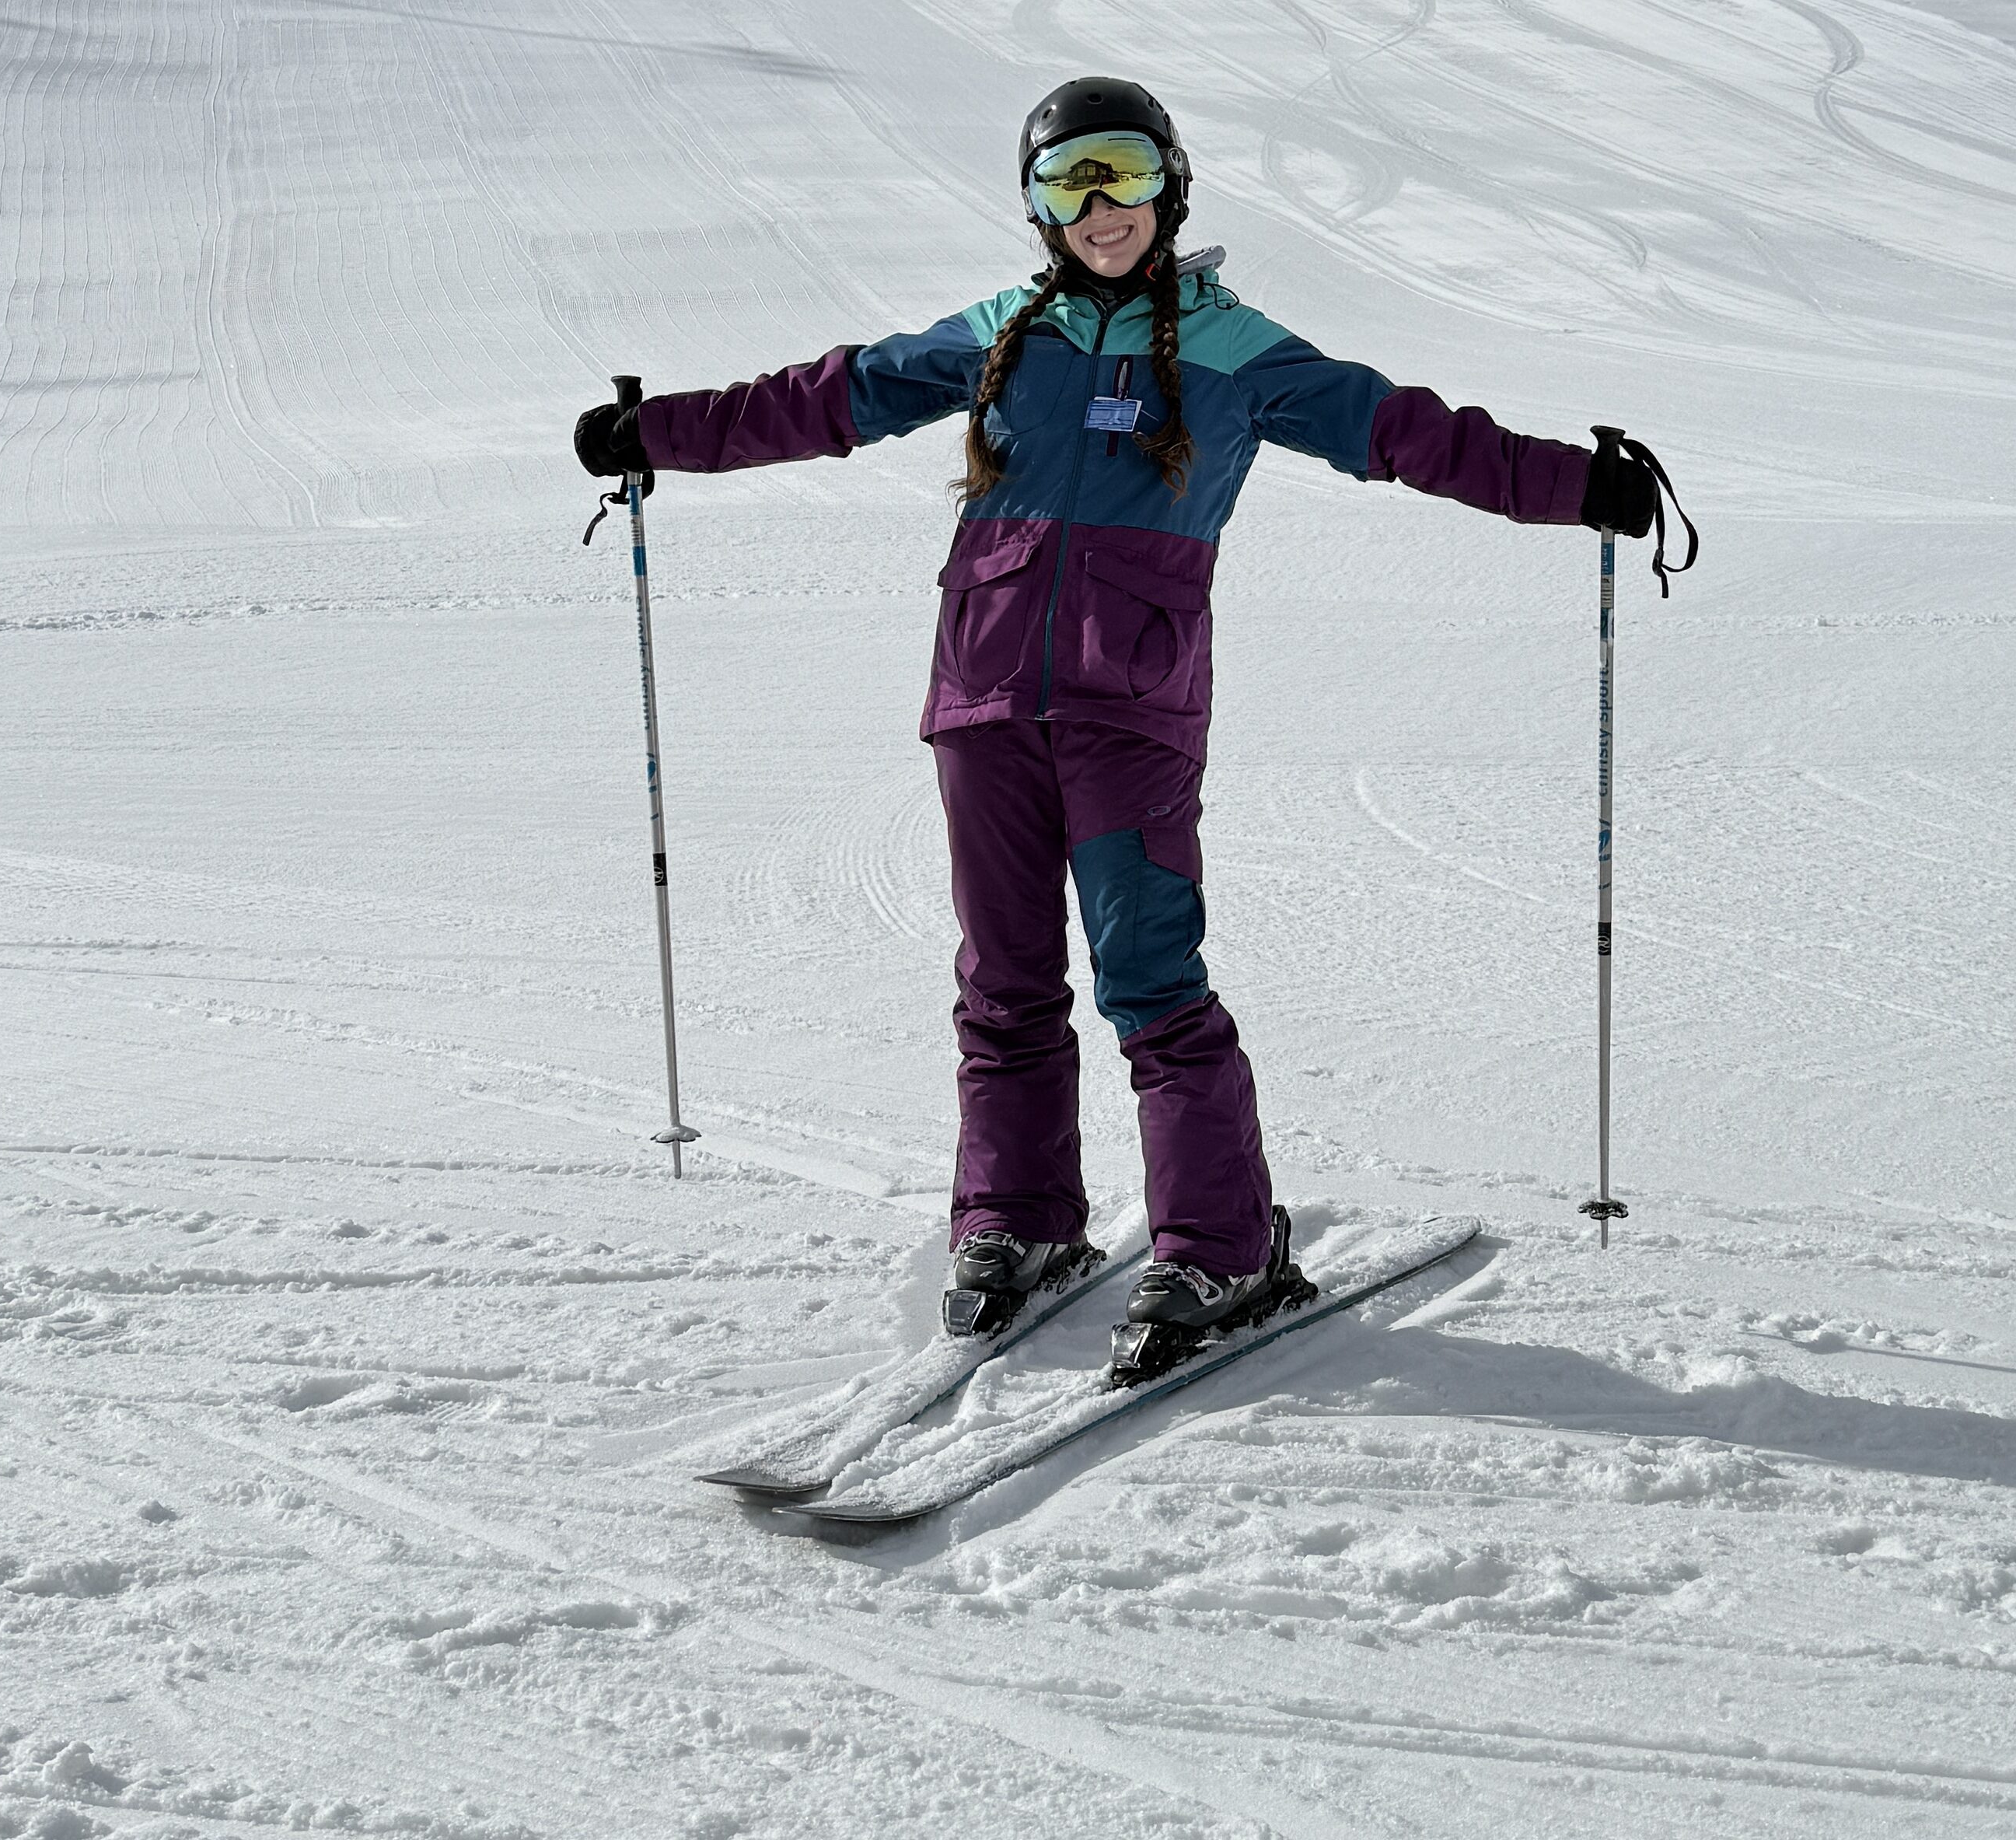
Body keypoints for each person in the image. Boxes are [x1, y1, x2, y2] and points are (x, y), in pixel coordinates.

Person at [572, 79, 1682, 1387]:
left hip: (1131, 712)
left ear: (1172, 185)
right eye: (1069, 180)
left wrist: (1577, 484)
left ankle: (1222, 1246)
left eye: (1127, 173)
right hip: (983, 698)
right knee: (1002, 982)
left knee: (1150, 982)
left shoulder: (1237, 350)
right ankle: (1018, 1222)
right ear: (1037, 206)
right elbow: (826, 400)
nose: (1103, 207)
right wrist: (654, 434)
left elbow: (1404, 434)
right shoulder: (1002, 332)